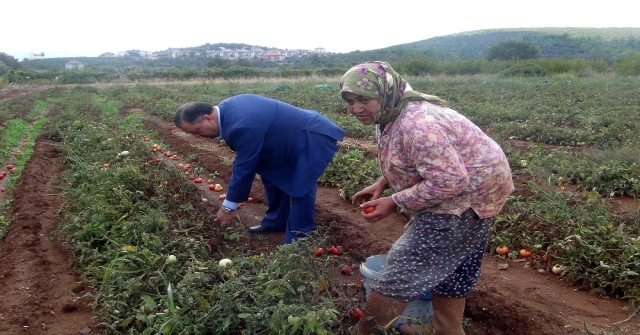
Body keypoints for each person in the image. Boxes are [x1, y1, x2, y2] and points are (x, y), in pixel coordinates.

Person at [339, 62, 514, 335]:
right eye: (350, 101)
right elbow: (413, 159)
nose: (356, 108)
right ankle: (445, 329)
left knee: (399, 273)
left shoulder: (418, 125)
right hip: (473, 190)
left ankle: (369, 332)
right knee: (452, 264)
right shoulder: (389, 114)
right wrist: (384, 182)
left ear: (384, 94)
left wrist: (395, 201)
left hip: (466, 199)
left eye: (364, 99)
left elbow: (451, 181)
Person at [173, 94, 346, 244]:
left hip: (311, 136)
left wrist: (227, 208)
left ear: (208, 117)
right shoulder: (227, 110)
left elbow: (244, 166)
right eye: (192, 134)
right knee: (271, 175)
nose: (197, 136)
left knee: (301, 186)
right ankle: (276, 222)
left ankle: (298, 240)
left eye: (196, 130)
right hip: (284, 140)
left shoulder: (241, 125)